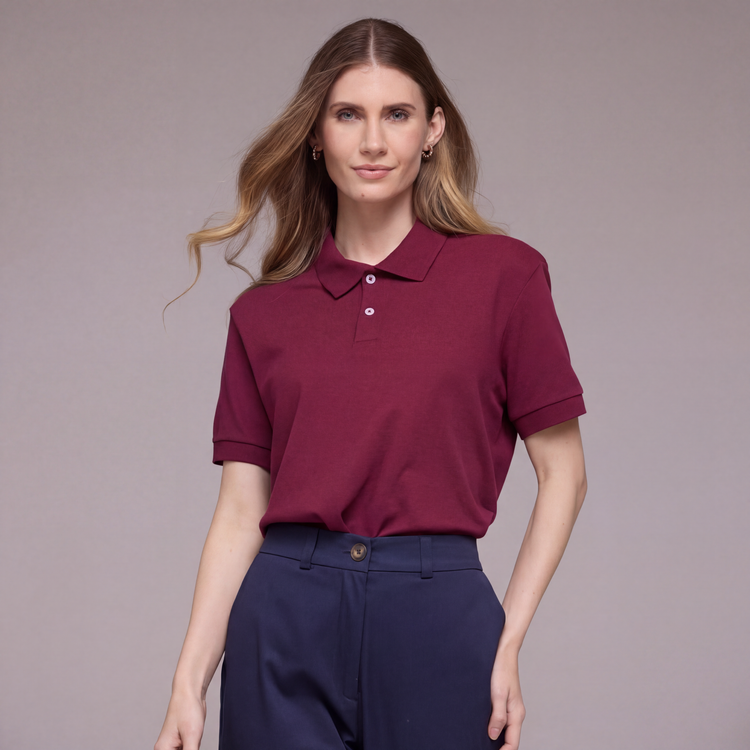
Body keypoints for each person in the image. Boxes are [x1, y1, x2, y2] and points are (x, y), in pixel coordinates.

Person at [155, 16, 587, 750]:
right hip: (283, 619)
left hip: (437, 615)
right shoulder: (264, 312)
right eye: (349, 114)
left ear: (433, 130)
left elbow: (564, 474)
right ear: (316, 134)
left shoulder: (506, 278)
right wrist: (187, 682)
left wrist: (509, 640)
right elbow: (240, 509)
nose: (374, 142)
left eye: (398, 115)